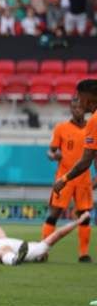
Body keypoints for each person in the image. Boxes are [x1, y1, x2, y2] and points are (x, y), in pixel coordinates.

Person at [42, 98, 93, 262]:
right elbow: (50, 151)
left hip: (84, 179)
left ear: (84, 108)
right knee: (54, 214)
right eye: (74, 107)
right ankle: (42, 251)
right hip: (64, 178)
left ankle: (83, 254)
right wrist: (53, 155)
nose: (77, 110)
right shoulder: (61, 128)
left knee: (85, 215)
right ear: (70, 109)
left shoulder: (92, 127)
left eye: (80, 107)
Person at [53, 80, 97, 249]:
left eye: (79, 97)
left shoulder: (94, 121)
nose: (77, 101)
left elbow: (86, 160)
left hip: (78, 178)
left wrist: (64, 179)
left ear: (88, 99)